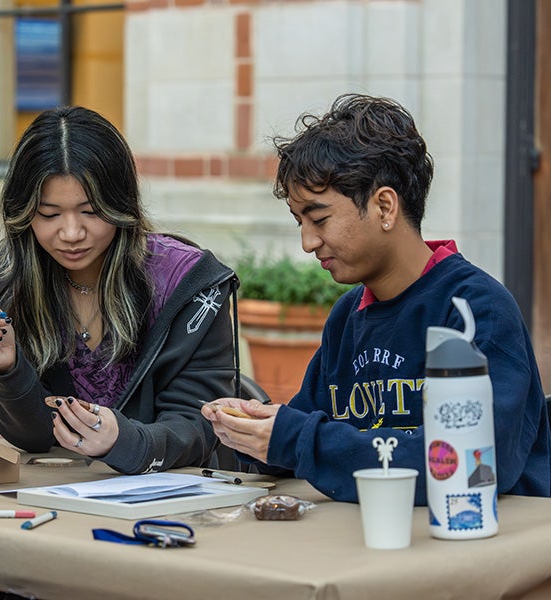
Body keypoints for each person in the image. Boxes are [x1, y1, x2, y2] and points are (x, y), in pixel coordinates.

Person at [202, 93, 551, 505]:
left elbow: (469, 463)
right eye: (300, 223)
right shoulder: (348, 315)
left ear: (384, 205)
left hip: (481, 545)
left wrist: (296, 439)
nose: (308, 242)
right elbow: (307, 434)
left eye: (320, 219)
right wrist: (256, 431)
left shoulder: (475, 310)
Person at [0, 105, 237, 474]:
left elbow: (202, 426)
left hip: (177, 497)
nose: (72, 233)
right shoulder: (3, 276)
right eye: (49, 214)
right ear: (23, 212)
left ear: (122, 204)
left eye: (91, 211)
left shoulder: (187, 282)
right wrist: (9, 371)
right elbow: (32, 438)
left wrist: (123, 441)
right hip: (59, 494)